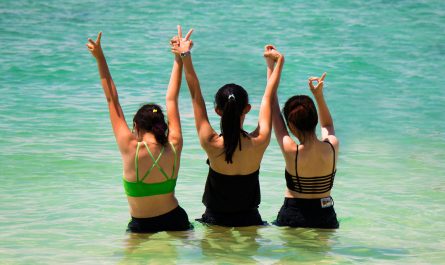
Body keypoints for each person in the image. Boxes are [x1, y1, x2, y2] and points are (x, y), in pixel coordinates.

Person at [170, 25, 285, 227]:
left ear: (218, 111)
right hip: (250, 220)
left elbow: (195, 93)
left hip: (215, 220)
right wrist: (275, 63)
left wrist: (185, 55)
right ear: (247, 108)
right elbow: (268, 97)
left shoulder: (211, 142)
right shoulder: (259, 141)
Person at [86, 31, 192, 233]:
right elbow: (172, 99)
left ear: (136, 126)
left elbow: (112, 100)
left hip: (141, 225)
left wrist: (100, 58)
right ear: (162, 125)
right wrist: (178, 58)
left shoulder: (130, 148)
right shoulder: (174, 144)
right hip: (176, 220)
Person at [268, 45, 339, 228]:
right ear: (315, 119)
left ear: (291, 125)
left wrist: (272, 66)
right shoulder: (331, 146)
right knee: (323, 257)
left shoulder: (291, 150)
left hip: (294, 214)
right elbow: (328, 125)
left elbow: (271, 103)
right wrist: (318, 96)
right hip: (326, 215)